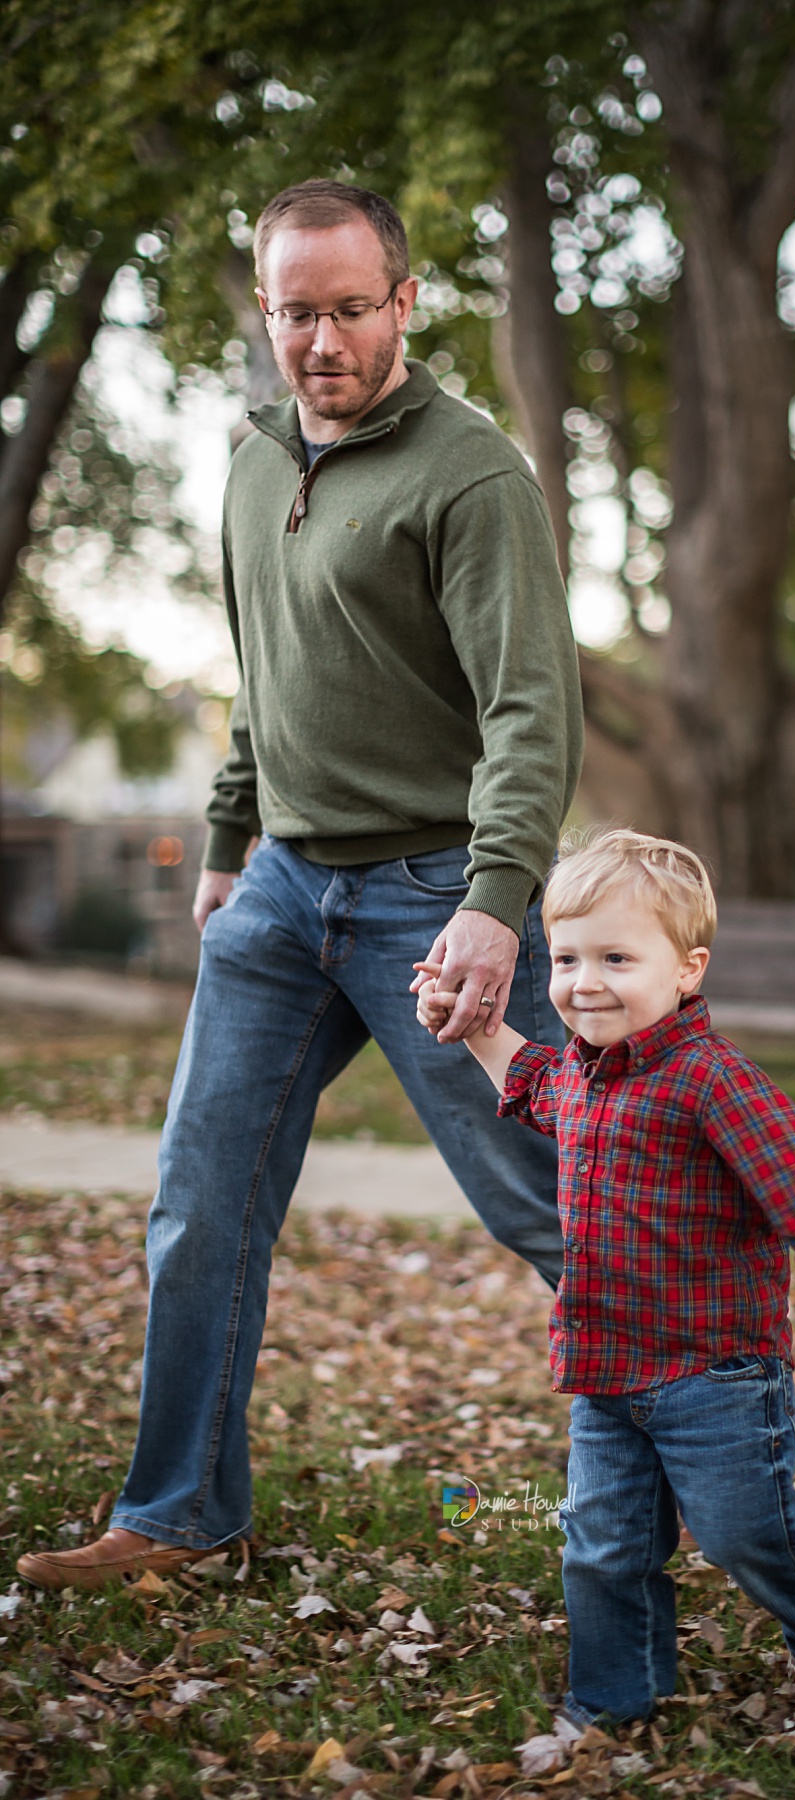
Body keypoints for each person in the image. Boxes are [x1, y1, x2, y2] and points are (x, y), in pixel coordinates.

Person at [17, 179, 583, 1594]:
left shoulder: (472, 476)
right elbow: (261, 681)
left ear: (403, 301)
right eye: (295, 312)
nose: (323, 340)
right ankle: (183, 1518)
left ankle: (713, 1454)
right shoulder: (257, 458)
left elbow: (530, 712)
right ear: (264, 311)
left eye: (349, 308)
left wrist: (495, 902)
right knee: (202, 1200)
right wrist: (225, 847)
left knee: (561, 1204)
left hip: (437, 895)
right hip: (282, 891)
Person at [414, 829, 795, 1723]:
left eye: (616, 958)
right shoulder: (584, 1074)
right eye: (565, 957)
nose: (584, 980)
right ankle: (612, 1701)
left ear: (687, 970)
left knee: (740, 1529)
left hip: (715, 1374)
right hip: (606, 1370)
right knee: (601, 1546)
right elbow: (526, 1082)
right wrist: (474, 1022)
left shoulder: (712, 1081)